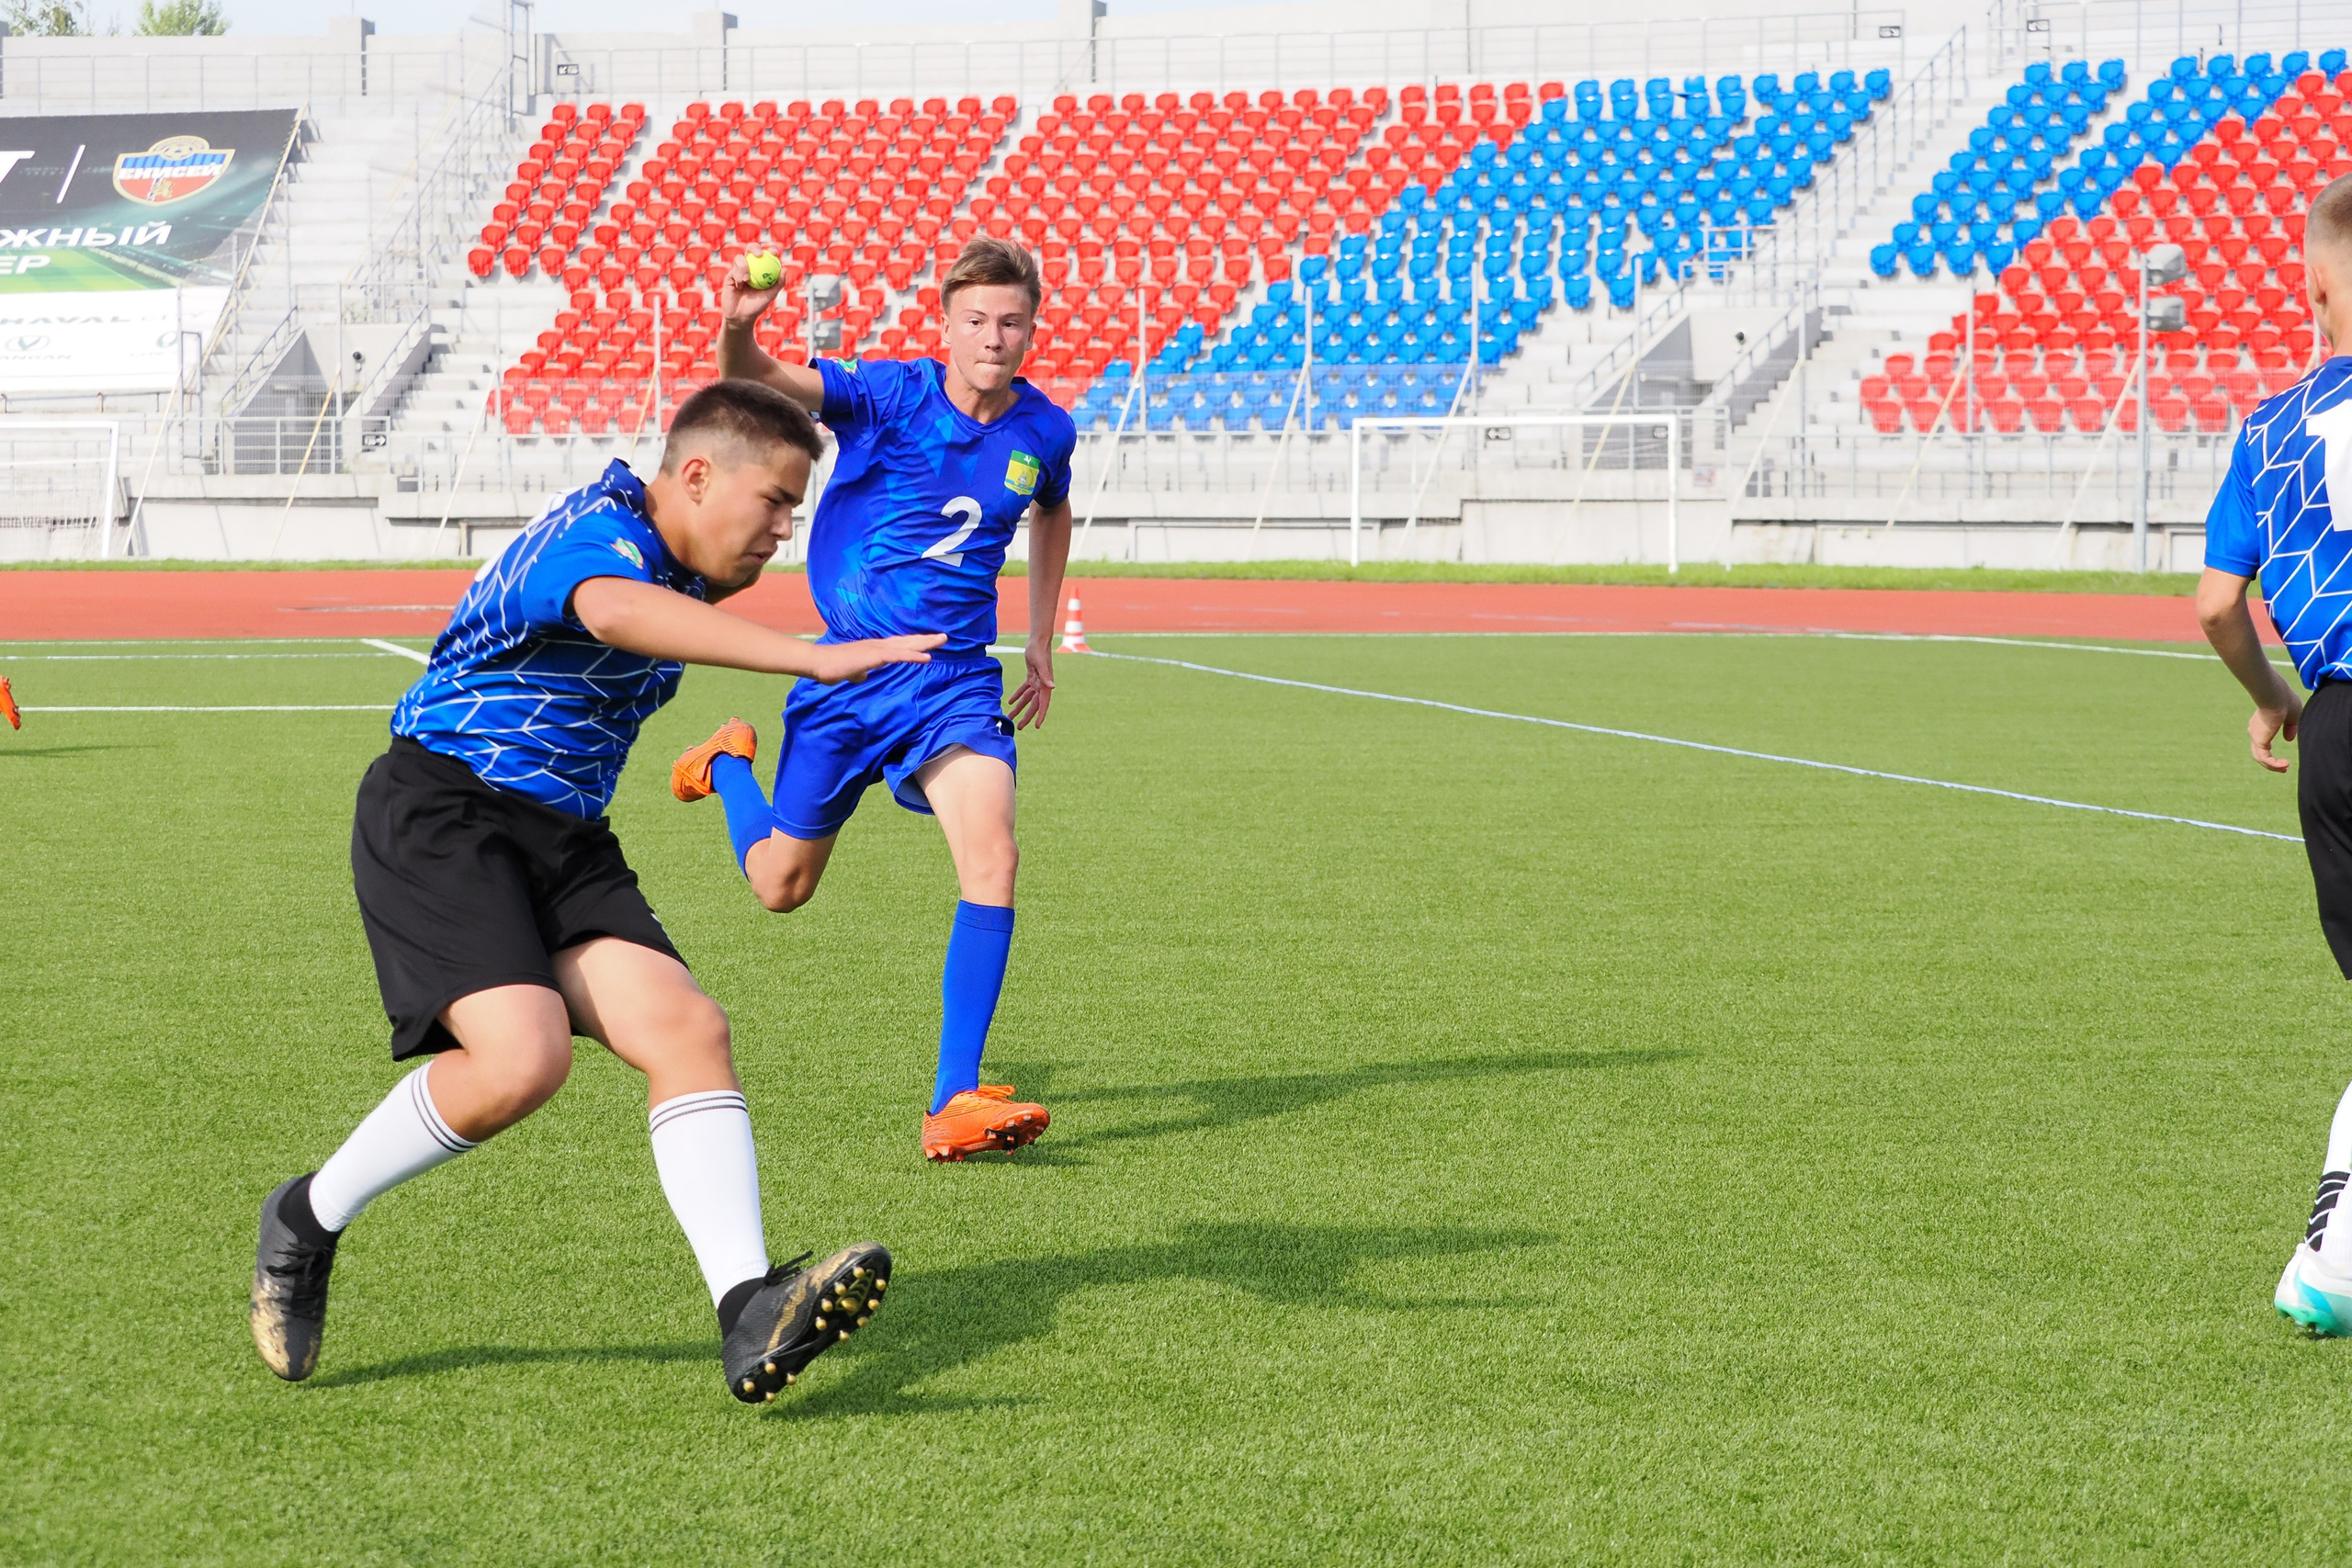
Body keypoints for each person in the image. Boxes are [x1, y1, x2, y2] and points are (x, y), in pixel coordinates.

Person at [249, 381, 942, 1403]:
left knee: (689, 1031)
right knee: (520, 1061)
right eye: (776, 504)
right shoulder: (593, 532)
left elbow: (735, 408)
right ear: (696, 477)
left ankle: (746, 1308)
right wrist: (814, 660)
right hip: (445, 809)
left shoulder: (688, 547)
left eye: (796, 509)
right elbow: (613, 612)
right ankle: (303, 1219)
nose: (784, 532)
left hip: (565, 833)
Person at [669, 236, 1077, 1164]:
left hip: (956, 683)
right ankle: (729, 763)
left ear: (1030, 327)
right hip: (847, 675)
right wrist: (737, 328)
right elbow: (761, 378)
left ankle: (952, 1099)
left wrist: (1042, 635)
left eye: (1011, 321)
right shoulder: (890, 393)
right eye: (975, 320)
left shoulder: (1044, 431)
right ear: (946, 324)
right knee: (780, 886)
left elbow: (1053, 507)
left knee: (994, 856)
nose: (993, 338)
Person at [2199, 173, 2352, 1332]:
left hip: (2337, 732)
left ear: (2310, 287)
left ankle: (2329, 1261)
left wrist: (2275, 699)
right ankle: (2329, 1264)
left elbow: (2214, 607)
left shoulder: (2269, 427)